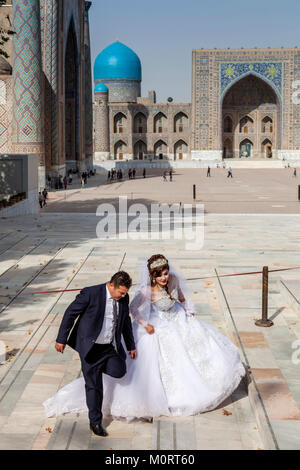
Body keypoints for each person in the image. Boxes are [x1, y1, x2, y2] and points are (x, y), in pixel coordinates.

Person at [43, 255, 245, 423]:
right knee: (146, 363)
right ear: (153, 276)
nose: (164, 278)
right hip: (154, 325)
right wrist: (144, 323)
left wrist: (188, 311)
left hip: (177, 319)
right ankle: (97, 381)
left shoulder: (173, 280)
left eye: (166, 274)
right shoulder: (144, 291)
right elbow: (132, 310)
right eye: (160, 275)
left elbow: (181, 299)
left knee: (198, 351)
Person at [44, 272, 136, 437]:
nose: (123, 296)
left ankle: (95, 374)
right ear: (111, 285)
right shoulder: (91, 293)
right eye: (121, 292)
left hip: (109, 347)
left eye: (125, 293)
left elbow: (126, 322)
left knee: (119, 370)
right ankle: (95, 422)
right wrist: (61, 339)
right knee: (94, 386)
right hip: (91, 348)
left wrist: (131, 345)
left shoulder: (123, 298)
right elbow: (70, 313)